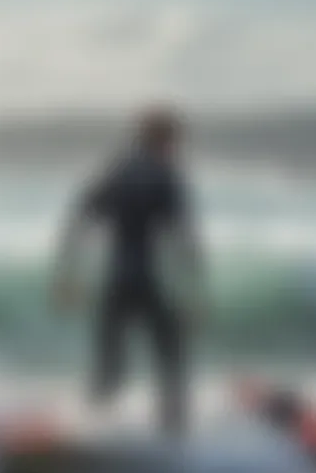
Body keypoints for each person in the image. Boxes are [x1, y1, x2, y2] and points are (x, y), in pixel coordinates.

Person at [50, 107, 202, 437]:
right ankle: (173, 441)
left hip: (115, 281)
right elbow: (184, 239)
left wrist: (67, 274)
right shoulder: (166, 175)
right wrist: (194, 293)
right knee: (171, 359)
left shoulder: (116, 172)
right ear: (165, 139)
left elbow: (79, 219)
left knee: (109, 369)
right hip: (148, 281)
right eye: (174, 140)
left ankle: (90, 435)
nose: (176, 147)